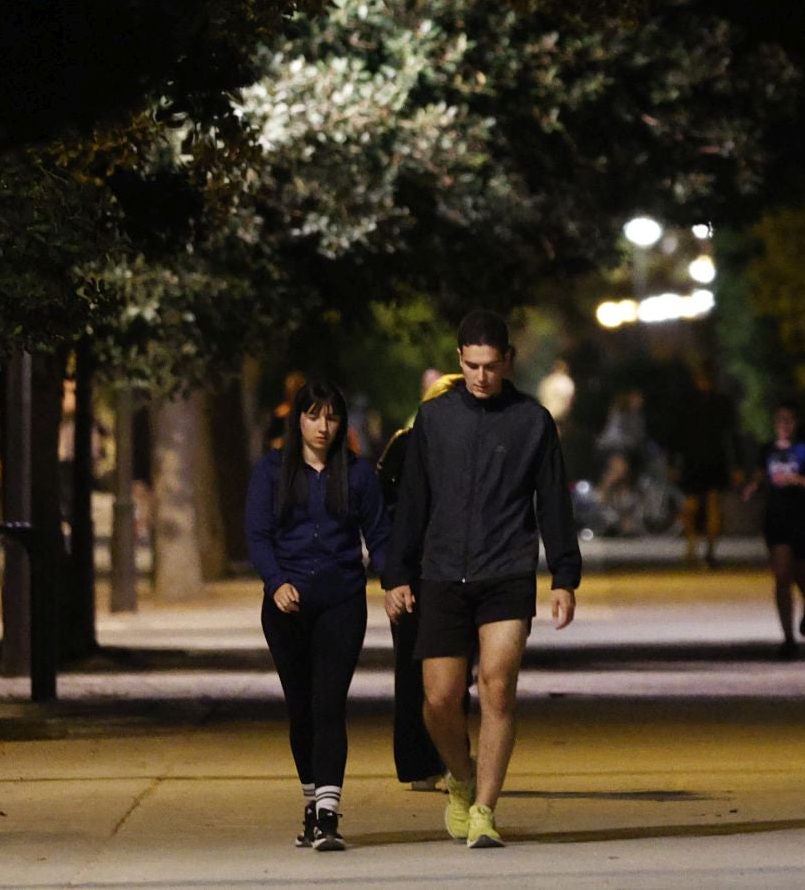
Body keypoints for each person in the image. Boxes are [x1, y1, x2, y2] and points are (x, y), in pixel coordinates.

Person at [382, 310, 581, 850]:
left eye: (491, 366)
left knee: (497, 686)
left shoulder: (531, 421)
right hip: (441, 572)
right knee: (440, 701)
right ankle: (462, 779)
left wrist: (564, 574)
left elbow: (551, 500)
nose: (481, 377)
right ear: (458, 360)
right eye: (471, 366)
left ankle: (486, 811)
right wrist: (395, 573)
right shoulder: (436, 419)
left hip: (507, 570)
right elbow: (414, 501)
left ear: (508, 362)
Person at [246, 379, 390, 852]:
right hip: (288, 606)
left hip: (341, 601)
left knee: (329, 705)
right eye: (313, 416)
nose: (322, 426)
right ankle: (311, 800)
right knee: (301, 708)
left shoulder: (359, 475)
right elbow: (258, 535)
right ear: (298, 421)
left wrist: (395, 583)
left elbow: (379, 536)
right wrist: (276, 582)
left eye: (330, 417)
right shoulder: (271, 472)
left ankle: (328, 815)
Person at [375, 379, 455, 793]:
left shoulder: (464, 448)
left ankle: (448, 759)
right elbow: (383, 509)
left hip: (451, 570)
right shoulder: (406, 446)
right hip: (413, 571)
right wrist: (393, 573)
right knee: (411, 672)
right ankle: (421, 761)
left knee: (450, 673)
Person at [744, 399, 805, 657]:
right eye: (780, 421)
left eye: (789, 421)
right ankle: (788, 638)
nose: (784, 426)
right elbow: (759, 475)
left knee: (802, 576)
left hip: (804, 518)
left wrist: (797, 480)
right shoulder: (767, 450)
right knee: (782, 577)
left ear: (795, 424)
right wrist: (754, 486)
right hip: (777, 518)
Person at [675, 366, 740, 568]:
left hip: (711, 460)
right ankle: (695, 545)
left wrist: (736, 464)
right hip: (698, 460)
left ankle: (706, 549)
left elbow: (731, 435)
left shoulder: (717, 403)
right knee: (693, 507)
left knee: (710, 506)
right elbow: (677, 433)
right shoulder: (692, 403)